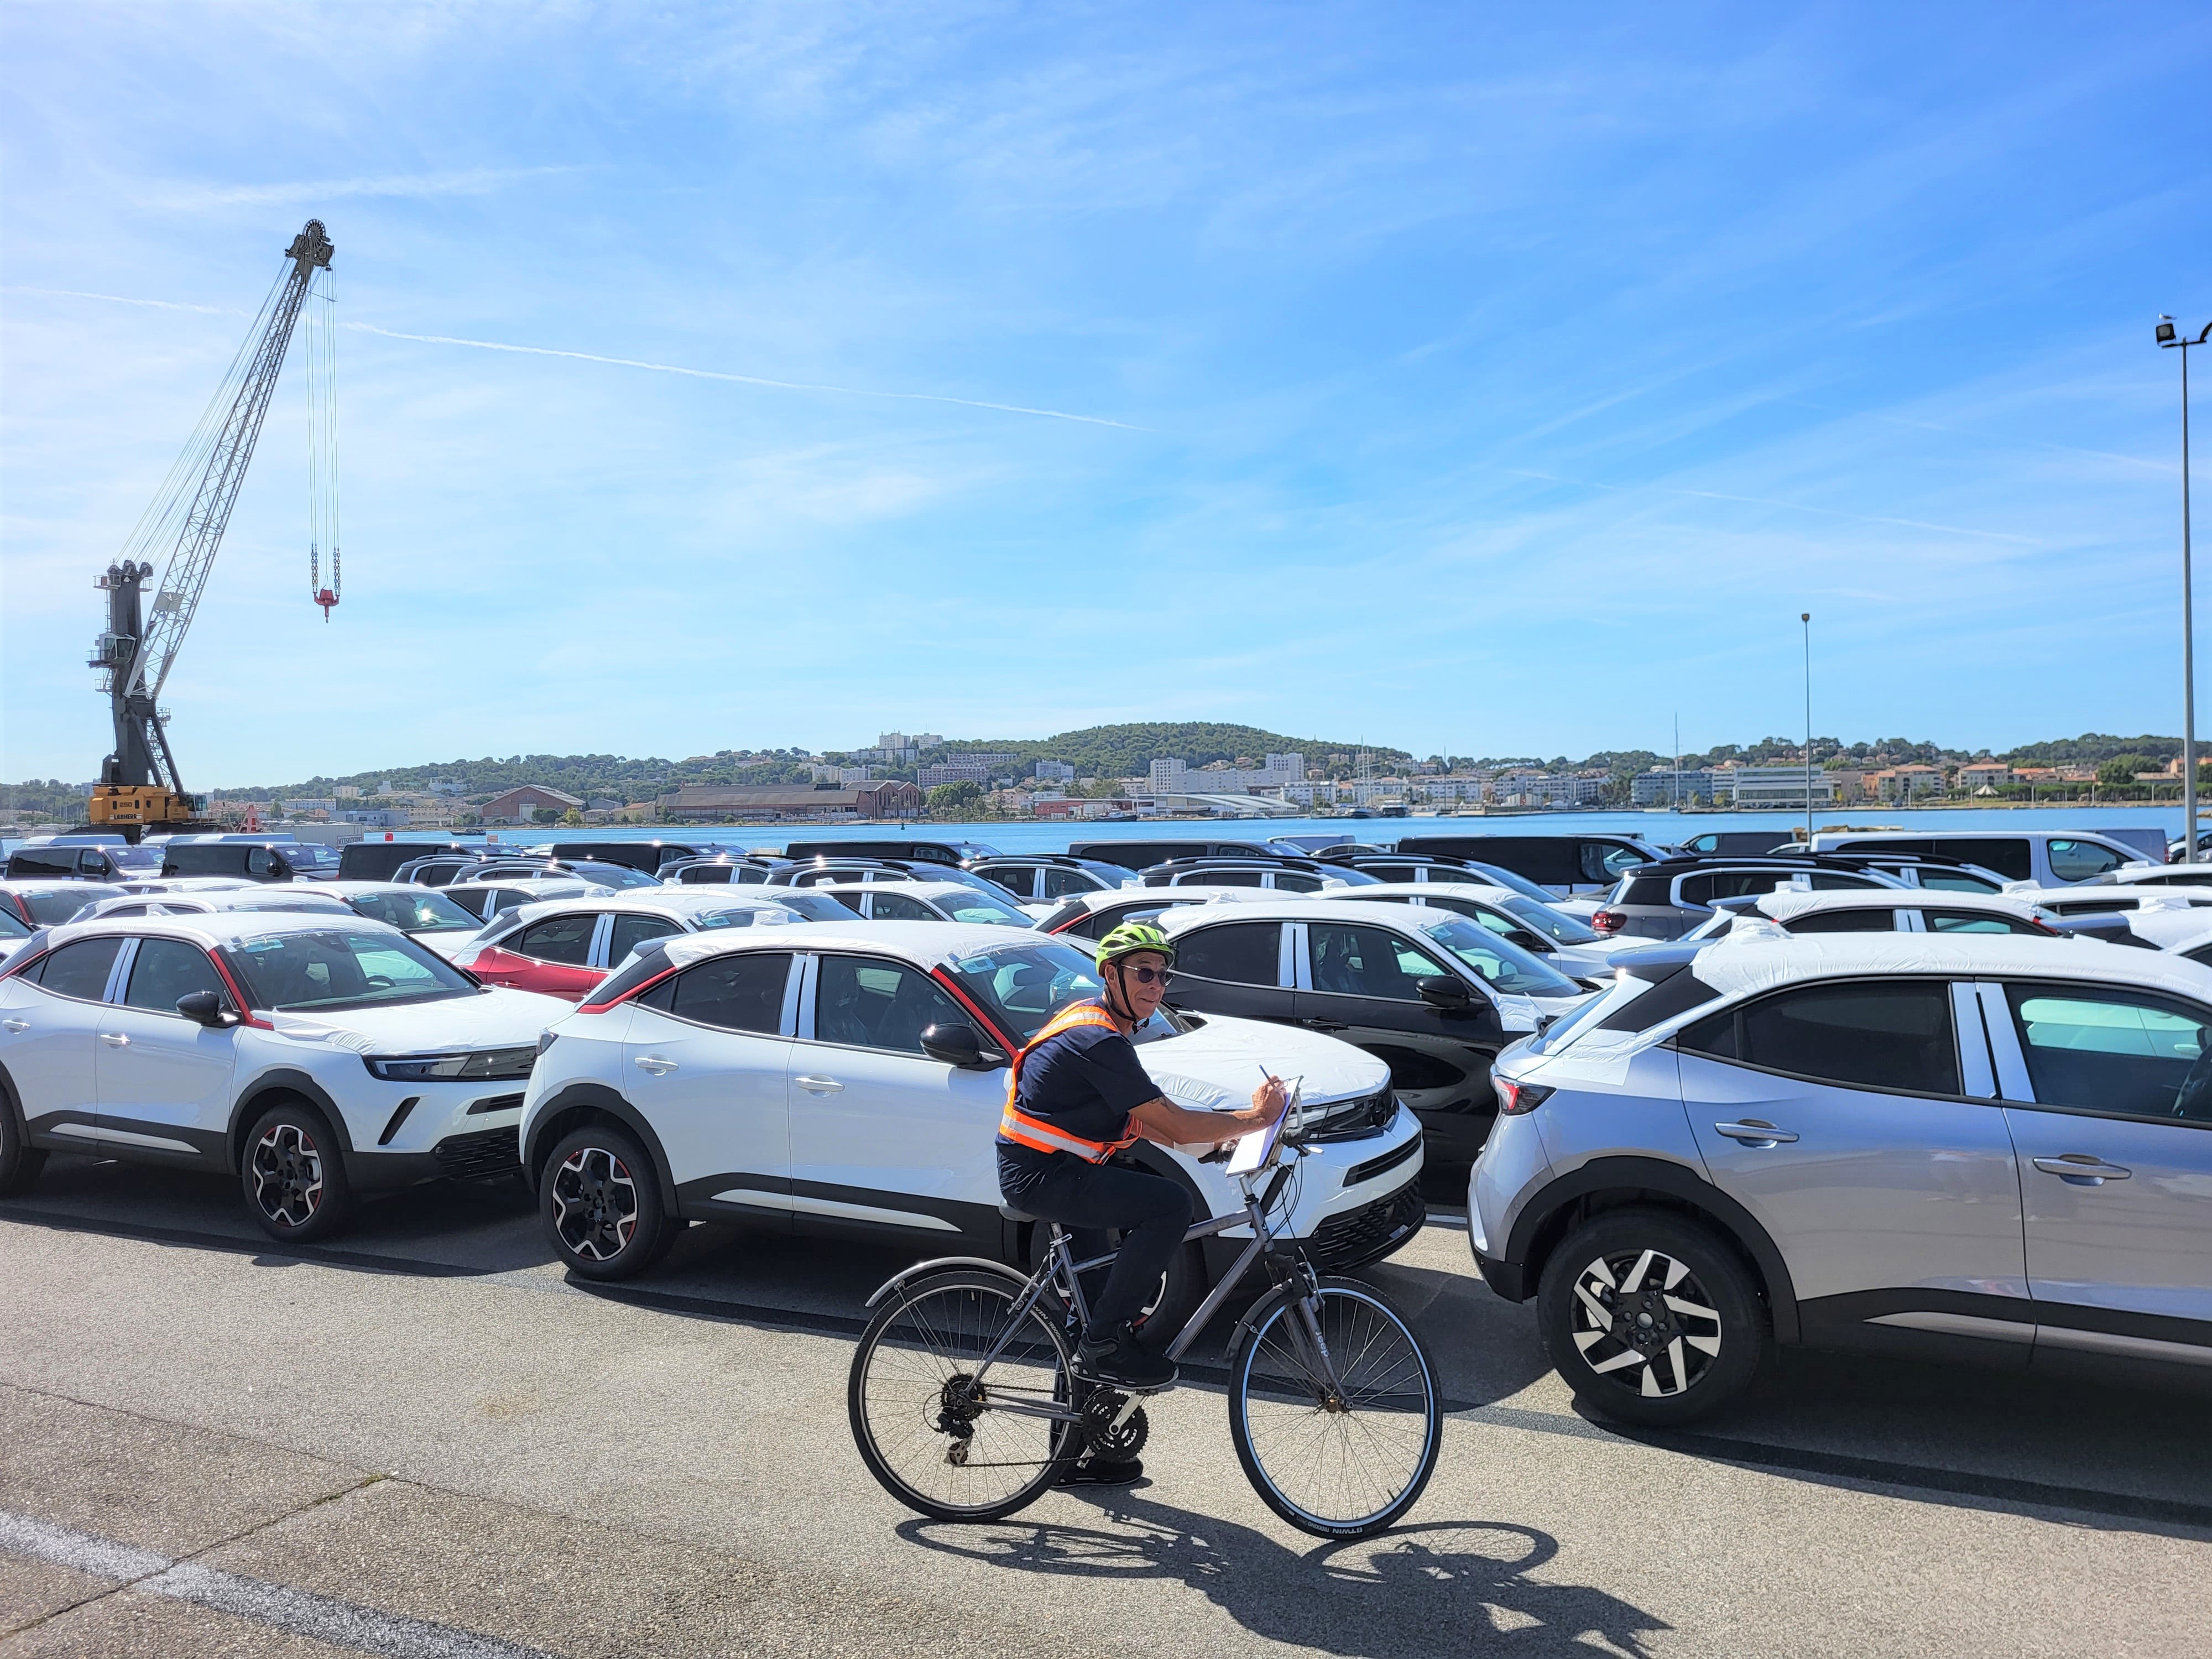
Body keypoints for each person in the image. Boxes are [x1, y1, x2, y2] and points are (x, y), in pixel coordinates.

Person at [997, 920, 1288, 1405]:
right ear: (1111, 976)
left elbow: (1143, 1121)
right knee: (1169, 1206)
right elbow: (1172, 1123)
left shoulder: (1104, 1027)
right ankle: (1107, 1344)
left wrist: (1216, 1145)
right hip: (1041, 1174)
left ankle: (1083, 1451)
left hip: (1062, 1168)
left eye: (1163, 976)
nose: (1157, 985)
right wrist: (1257, 1116)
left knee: (1088, 1312)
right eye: (1144, 973)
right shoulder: (1097, 1040)